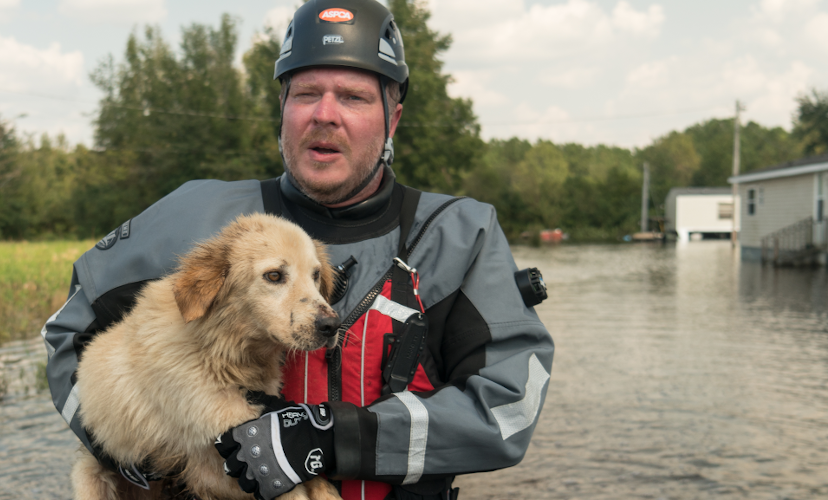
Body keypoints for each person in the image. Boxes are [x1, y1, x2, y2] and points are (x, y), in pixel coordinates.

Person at [42, 1, 554, 499]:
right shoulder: (190, 217)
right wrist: (131, 457)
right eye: (306, 93)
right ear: (282, 109)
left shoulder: (458, 235)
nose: (324, 115)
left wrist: (332, 438)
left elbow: (510, 409)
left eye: (353, 97)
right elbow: (66, 337)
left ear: (392, 119)